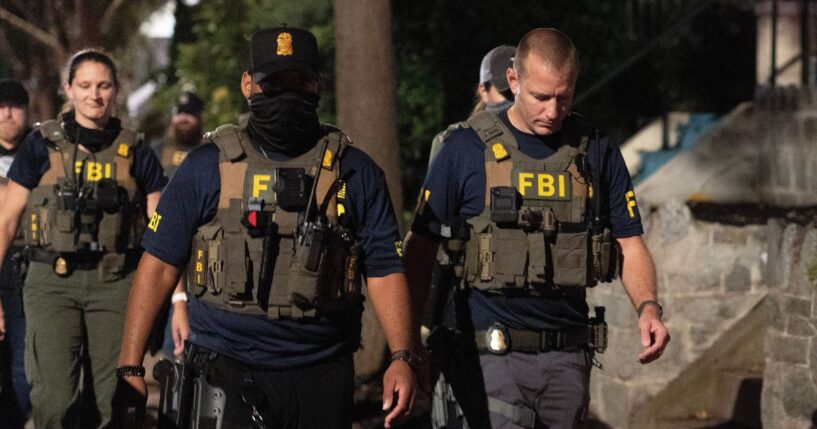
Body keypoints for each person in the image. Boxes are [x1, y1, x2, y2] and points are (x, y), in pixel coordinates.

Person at [113, 27, 423, 429]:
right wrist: (129, 367)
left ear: (319, 86)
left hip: (320, 375)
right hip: (221, 372)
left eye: (301, 83)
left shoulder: (355, 171)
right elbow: (157, 265)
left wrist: (402, 356)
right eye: (273, 83)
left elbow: (384, 268)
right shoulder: (206, 167)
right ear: (247, 84)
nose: (287, 95)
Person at [404, 28, 670, 429]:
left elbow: (629, 243)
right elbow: (420, 248)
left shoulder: (596, 150)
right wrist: (408, 344)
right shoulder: (464, 148)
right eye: (540, 97)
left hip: (569, 357)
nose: (552, 110)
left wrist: (648, 308)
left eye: (563, 97)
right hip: (489, 356)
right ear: (513, 81)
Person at [0, 50, 167, 428]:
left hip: (115, 282)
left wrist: (174, 298)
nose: (95, 95)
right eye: (85, 85)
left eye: (104, 85)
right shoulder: (40, 145)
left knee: (111, 401)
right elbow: (7, 222)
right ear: (68, 90)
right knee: (53, 400)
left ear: (116, 90)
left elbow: (162, 227)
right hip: (50, 284)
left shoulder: (134, 149)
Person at [148, 91, 206, 358]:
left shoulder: (209, 151)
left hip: (199, 246)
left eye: (190, 115)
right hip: (164, 242)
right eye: (180, 114)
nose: (184, 120)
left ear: (200, 118)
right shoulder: (157, 152)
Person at [0, 78, 32, 428]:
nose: (7, 113)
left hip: (27, 278)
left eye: (15, 106)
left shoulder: (42, 152)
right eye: (1, 106)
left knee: (24, 375)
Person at [427, 45, 516, 166]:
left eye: (522, 89)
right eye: (506, 92)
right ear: (483, 91)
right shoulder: (454, 142)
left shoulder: (543, 138)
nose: (515, 99)